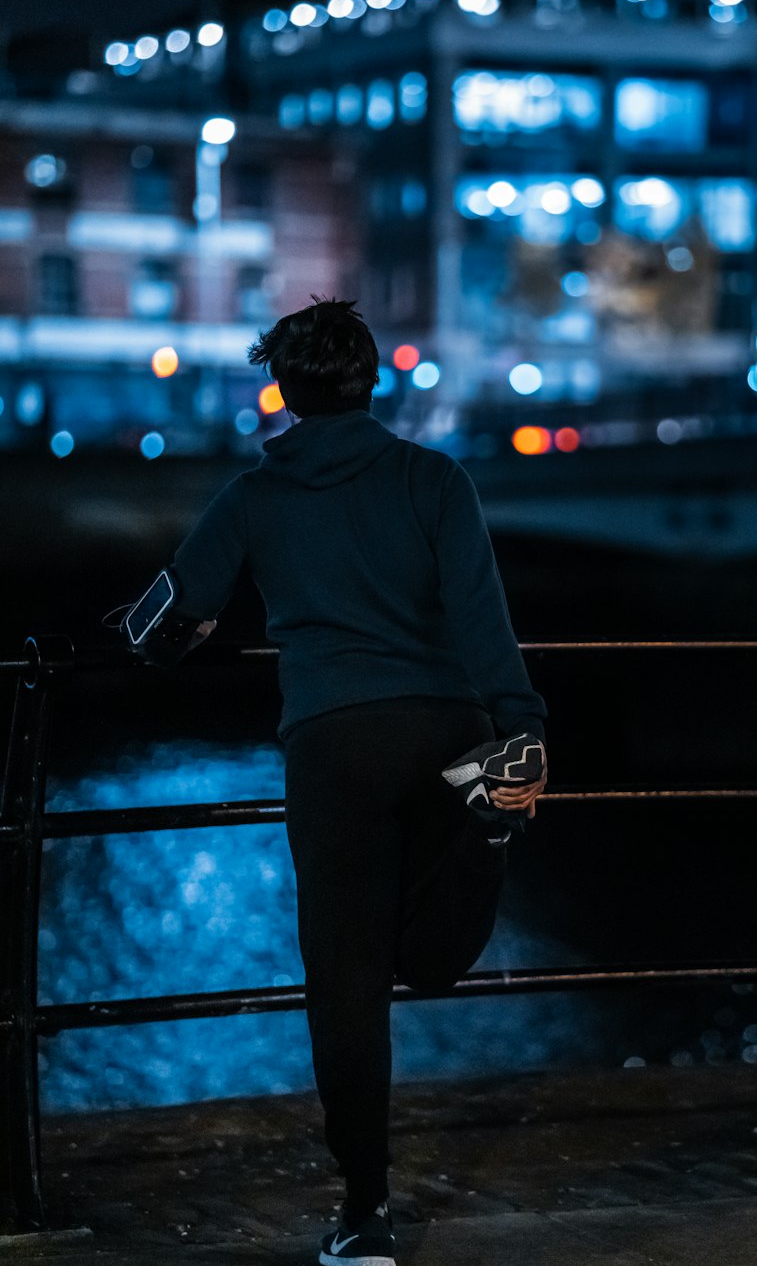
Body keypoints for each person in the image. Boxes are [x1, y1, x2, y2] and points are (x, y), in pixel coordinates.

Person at [142, 297, 547, 1266]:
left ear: (280, 391)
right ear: (373, 382)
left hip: (332, 744)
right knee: (434, 955)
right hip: (447, 729)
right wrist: (521, 721)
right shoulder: (434, 479)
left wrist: (149, 633)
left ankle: (364, 1212)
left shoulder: (255, 498)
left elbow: (167, 620)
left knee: (348, 984)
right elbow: (482, 620)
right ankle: (488, 838)